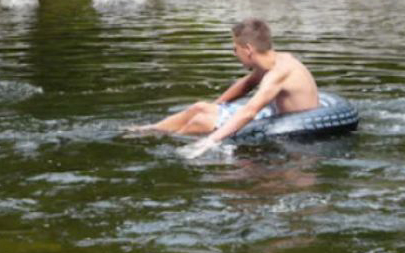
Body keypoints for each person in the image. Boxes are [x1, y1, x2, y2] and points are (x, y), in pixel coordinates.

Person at [128, 18, 318, 159]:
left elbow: (250, 111)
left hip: (299, 127)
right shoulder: (271, 60)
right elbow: (246, 84)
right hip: (277, 114)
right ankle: (151, 130)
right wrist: (217, 105)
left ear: (248, 49)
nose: (234, 53)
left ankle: (172, 148)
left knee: (202, 121)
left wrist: (209, 141)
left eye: (235, 49)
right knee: (200, 108)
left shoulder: (279, 73)